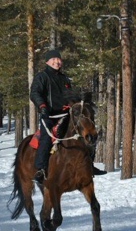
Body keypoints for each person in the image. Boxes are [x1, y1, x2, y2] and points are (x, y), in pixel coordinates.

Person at [30, 49, 106, 184]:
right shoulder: (41, 77)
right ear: (47, 62)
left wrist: (78, 101)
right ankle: (41, 169)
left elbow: (70, 96)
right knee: (47, 138)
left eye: (58, 59)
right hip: (49, 114)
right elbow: (35, 93)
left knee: (86, 134)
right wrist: (42, 106)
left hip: (66, 114)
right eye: (53, 59)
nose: (57, 61)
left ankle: (90, 165)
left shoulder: (65, 79)